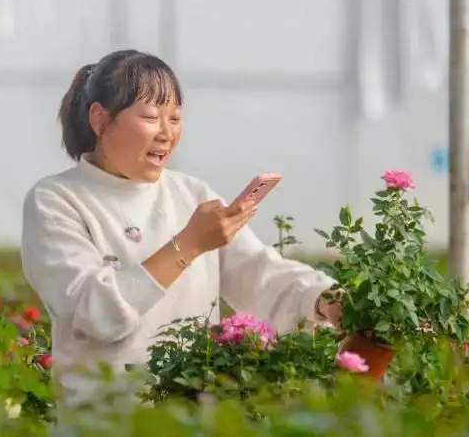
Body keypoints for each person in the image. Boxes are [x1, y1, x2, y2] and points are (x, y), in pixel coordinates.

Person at [20, 49, 341, 407]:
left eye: (174, 118)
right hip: (104, 419)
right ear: (100, 119)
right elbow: (93, 314)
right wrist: (188, 244)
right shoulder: (57, 199)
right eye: (150, 117)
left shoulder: (191, 194)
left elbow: (259, 275)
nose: (166, 133)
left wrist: (327, 300)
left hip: (192, 415)